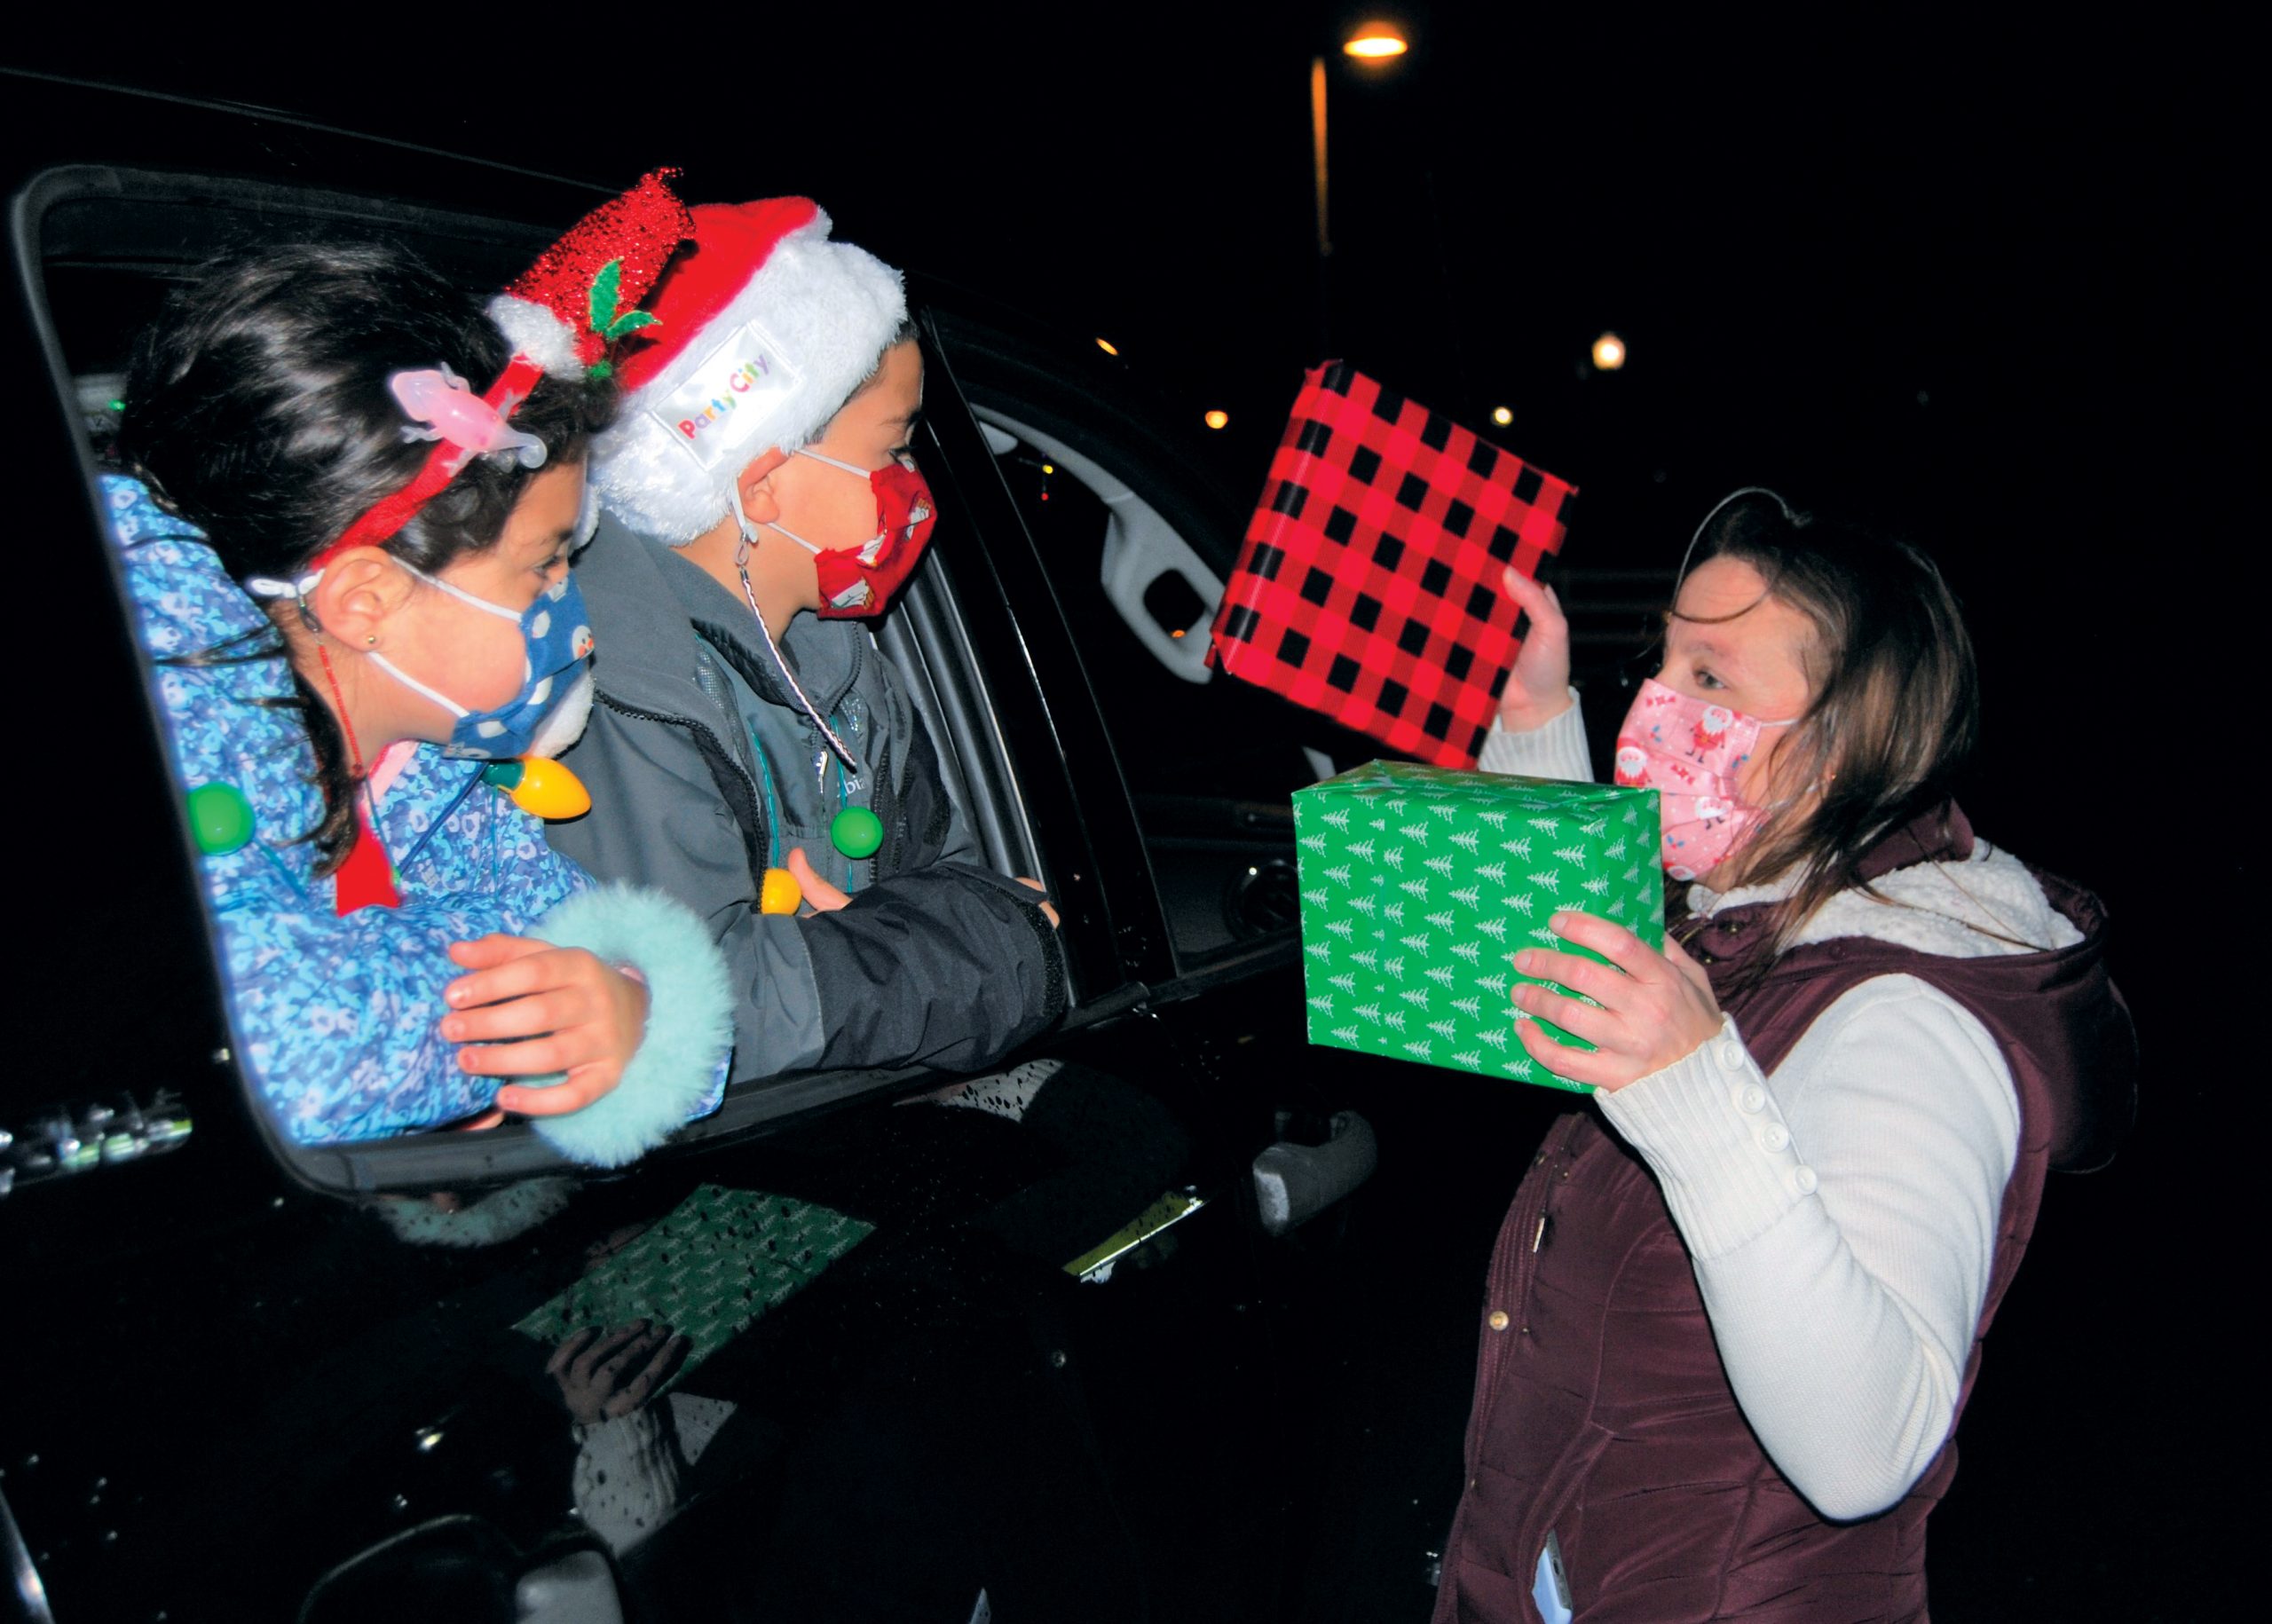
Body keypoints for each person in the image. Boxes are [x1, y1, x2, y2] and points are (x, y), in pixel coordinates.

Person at [1434, 489, 2135, 1621]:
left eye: (1709, 679)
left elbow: (1865, 1450)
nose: (1656, 706)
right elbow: (1574, 977)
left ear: (1839, 744)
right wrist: (1530, 708)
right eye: (1660, 663)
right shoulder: (1754, 911)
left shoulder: (1905, 1013)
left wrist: (1692, 1090)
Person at [110, 174, 734, 1167]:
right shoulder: (178, 730)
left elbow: (597, 959)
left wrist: (634, 1003)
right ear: (367, 604)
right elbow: (285, 1045)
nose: (571, 610)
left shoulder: (428, 775)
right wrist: (527, 1022)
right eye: (543, 567)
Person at [550, 195, 1067, 1084]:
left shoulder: (843, 663)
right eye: (892, 448)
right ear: (765, 483)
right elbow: (698, 1011)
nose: (910, 484)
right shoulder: (618, 687)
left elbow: (943, 874)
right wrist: (985, 947)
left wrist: (870, 947)